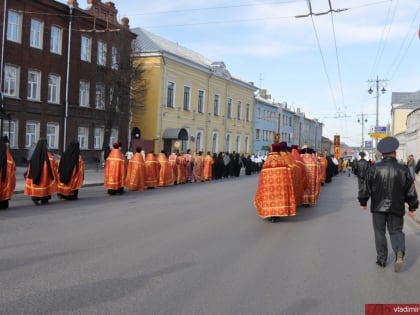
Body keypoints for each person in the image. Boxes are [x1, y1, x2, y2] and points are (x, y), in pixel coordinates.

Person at [358, 137, 418, 272]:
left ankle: (381, 259)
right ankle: (399, 252)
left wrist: (363, 202)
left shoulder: (374, 168)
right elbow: (410, 189)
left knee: (379, 232)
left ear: (382, 154)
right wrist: (413, 206)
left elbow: (365, 187)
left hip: (378, 207)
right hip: (397, 207)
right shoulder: (403, 169)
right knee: (396, 230)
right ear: (395, 152)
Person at [254, 133, 296, 221]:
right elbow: (288, 175)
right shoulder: (282, 161)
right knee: (278, 199)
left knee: (270, 199)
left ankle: (271, 214)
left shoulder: (267, 162)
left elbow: (262, 177)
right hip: (280, 188)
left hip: (269, 188)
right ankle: (277, 214)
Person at [24, 139, 58, 205]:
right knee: (45, 186)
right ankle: (44, 199)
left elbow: (30, 166)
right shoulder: (49, 156)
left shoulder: (35, 155)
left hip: (35, 175)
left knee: (36, 186)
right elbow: (53, 166)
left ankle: (35, 198)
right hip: (45, 176)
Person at [0, 137, 16, 209]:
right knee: (4, 189)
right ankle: (3, 205)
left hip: (3, 173)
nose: (7, 144)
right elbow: (11, 163)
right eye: (7, 143)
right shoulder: (6, 152)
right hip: (5, 174)